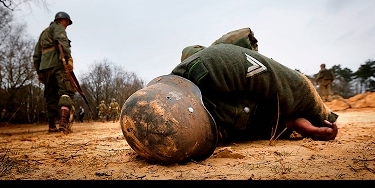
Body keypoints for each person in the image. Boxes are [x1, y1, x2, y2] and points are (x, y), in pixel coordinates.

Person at [120, 31, 338, 164]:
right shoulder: (200, 111)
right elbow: (243, 119)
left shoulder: (211, 63)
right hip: (242, 109)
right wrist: (291, 124)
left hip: (239, 82)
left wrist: (319, 116)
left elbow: (290, 83)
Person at [33, 11, 76, 133]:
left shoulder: (43, 33)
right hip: (58, 64)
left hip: (45, 68)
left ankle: (51, 125)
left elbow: (36, 55)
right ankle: (63, 122)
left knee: (51, 95)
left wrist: (39, 71)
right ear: (62, 20)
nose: (67, 25)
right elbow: (62, 42)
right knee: (66, 91)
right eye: (67, 22)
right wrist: (68, 59)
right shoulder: (58, 28)